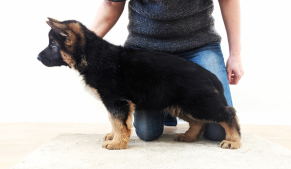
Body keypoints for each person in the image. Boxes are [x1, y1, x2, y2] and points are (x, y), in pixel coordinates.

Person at [90, 0, 244, 142]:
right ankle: (169, 104)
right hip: (146, 48)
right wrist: (85, 45)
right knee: (147, 133)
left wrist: (235, 55)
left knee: (218, 131)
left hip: (199, 45)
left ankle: (175, 103)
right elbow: (111, 3)